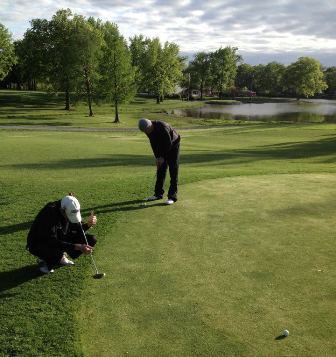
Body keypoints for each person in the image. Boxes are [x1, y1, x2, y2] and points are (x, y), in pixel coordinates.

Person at [26, 194, 97, 274]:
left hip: (58, 236)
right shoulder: (49, 213)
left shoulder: (67, 209)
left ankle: (59, 257)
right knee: (56, 250)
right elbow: (51, 240)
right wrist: (75, 246)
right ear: (62, 210)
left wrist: (88, 225)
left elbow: (75, 229)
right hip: (39, 243)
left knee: (91, 239)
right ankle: (45, 261)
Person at [138, 118, 181, 205]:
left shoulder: (162, 126)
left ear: (151, 125)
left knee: (173, 170)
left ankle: (172, 197)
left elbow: (168, 144)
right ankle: (158, 194)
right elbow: (153, 144)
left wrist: (162, 157)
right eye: (145, 131)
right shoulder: (147, 130)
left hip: (173, 145)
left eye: (147, 130)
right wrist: (157, 158)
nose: (147, 132)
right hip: (162, 146)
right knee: (161, 170)